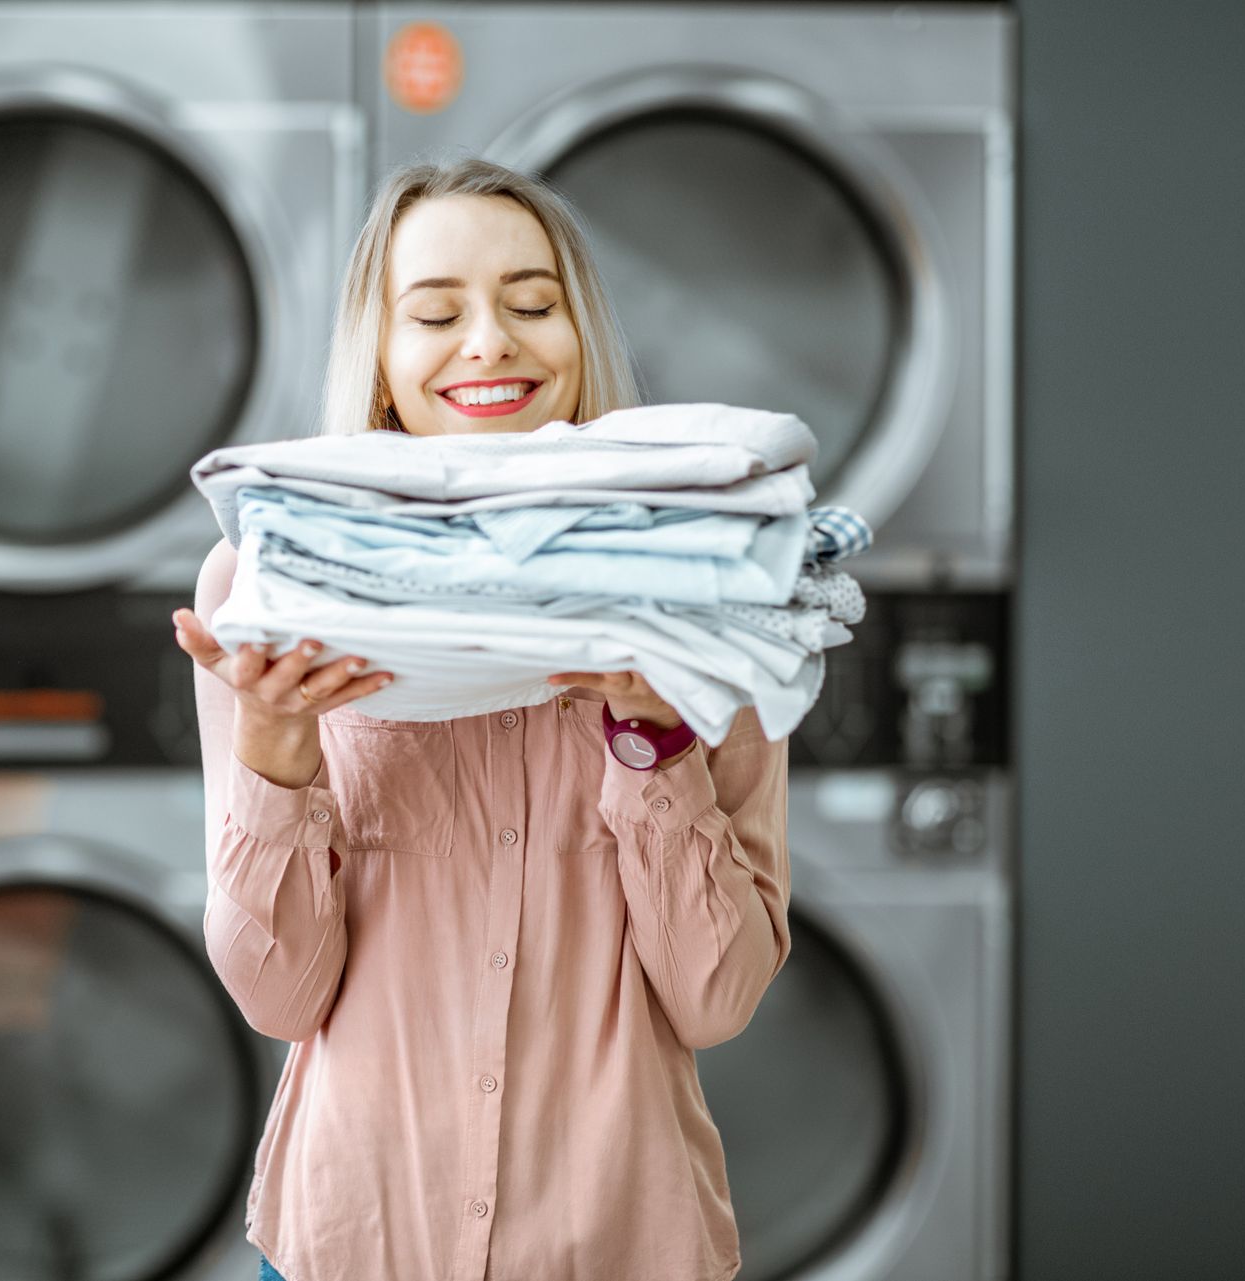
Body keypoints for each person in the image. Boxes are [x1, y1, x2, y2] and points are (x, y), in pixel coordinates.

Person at [170, 157, 791, 1281]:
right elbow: (279, 992)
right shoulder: (273, 588)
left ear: (578, 333)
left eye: (531, 304)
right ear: (383, 362)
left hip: (615, 1242)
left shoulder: (708, 588)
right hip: (354, 1238)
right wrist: (275, 750)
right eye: (437, 313)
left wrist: (656, 741)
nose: (490, 342)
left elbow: (717, 996)